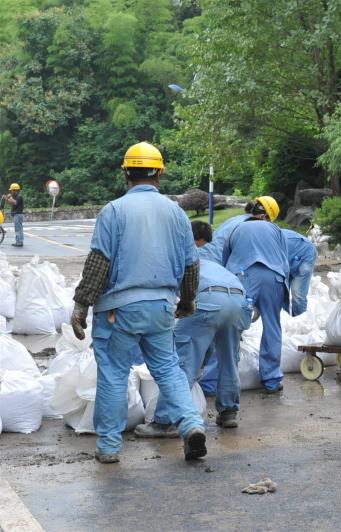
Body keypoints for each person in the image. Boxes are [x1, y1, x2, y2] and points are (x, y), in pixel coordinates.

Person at [69, 141, 206, 464]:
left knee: (114, 373)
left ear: (126, 174)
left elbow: (99, 262)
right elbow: (191, 265)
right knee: (168, 369)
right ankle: (190, 425)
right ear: (159, 174)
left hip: (118, 310)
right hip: (161, 307)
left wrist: (81, 305)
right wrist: (187, 301)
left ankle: (109, 447)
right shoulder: (176, 212)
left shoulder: (113, 211)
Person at [135, 221, 251, 437]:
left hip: (208, 298)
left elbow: (165, 301)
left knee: (182, 363)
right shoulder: (211, 264)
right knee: (229, 359)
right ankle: (228, 413)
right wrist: (203, 362)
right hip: (239, 300)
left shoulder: (174, 262)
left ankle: (165, 421)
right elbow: (208, 336)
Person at [223, 196, 289, 393]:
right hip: (273, 278)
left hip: (243, 278)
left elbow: (225, 262)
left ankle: (222, 380)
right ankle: (271, 379)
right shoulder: (276, 230)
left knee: (231, 326)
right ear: (268, 216)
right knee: (272, 325)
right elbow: (284, 262)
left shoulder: (236, 229)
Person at [198, 198, 277, 265]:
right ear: (262, 216)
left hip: (201, 256)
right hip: (215, 264)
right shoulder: (249, 227)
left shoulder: (237, 218)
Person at [282, 228, 318, 316]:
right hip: (287, 260)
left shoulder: (269, 241)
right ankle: (284, 319)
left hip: (304, 254)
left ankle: (300, 321)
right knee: (281, 293)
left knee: (297, 294)